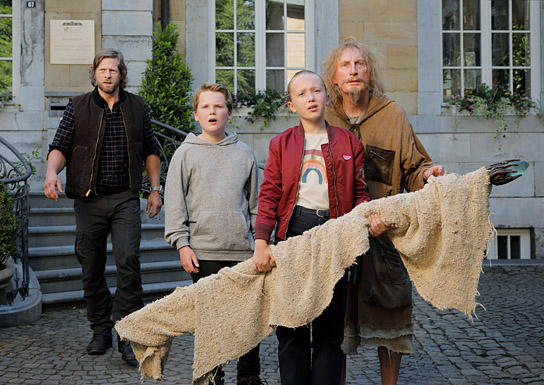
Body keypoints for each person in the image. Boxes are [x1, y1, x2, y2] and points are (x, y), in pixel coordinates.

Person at [322, 37, 446, 385]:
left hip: (386, 237)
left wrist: (427, 174)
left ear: (369, 71)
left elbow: (414, 168)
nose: (353, 71)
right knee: (336, 326)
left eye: (359, 64)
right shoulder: (324, 117)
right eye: (345, 65)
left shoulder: (392, 114)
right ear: (333, 77)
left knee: (392, 319)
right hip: (338, 236)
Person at [43, 49, 162, 366]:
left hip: (125, 197)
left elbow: (151, 150)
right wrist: (51, 172)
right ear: (94, 74)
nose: (108, 74)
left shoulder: (137, 107)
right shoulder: (77, 106)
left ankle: (128, 334)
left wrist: (155, 190)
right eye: (102, 69)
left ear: (122, 74)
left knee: (129, 261)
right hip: (89, 199)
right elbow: (60, 146)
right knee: (91, 265)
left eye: (113, 69)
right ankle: (100, 330)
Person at [252, 70, 370, 385]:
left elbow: (360, 195)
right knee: (292, 327)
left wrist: (363, 224)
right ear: (292, 104)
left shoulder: (349, 142)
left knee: (330, 330)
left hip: (335, 235)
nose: (310, 97)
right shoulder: (281, 144)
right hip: (294, 234)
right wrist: (261, 241)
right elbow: (270, 194)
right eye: (302, 93)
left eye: (316, 90)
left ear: (326, 96)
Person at [164, 82, 263, 385]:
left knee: (248, 318)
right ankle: (210, 375)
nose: (212, 111)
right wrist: (182, 244)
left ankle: (248, 377)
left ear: (229, 113)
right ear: (196, 114)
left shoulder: (244, 154)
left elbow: (257, 203)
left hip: (241, 251)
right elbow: (175, 202)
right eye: (206, 106)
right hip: (203, 251)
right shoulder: (186, 153)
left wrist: (261, 243)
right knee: (210, 320)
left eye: (218, 106)